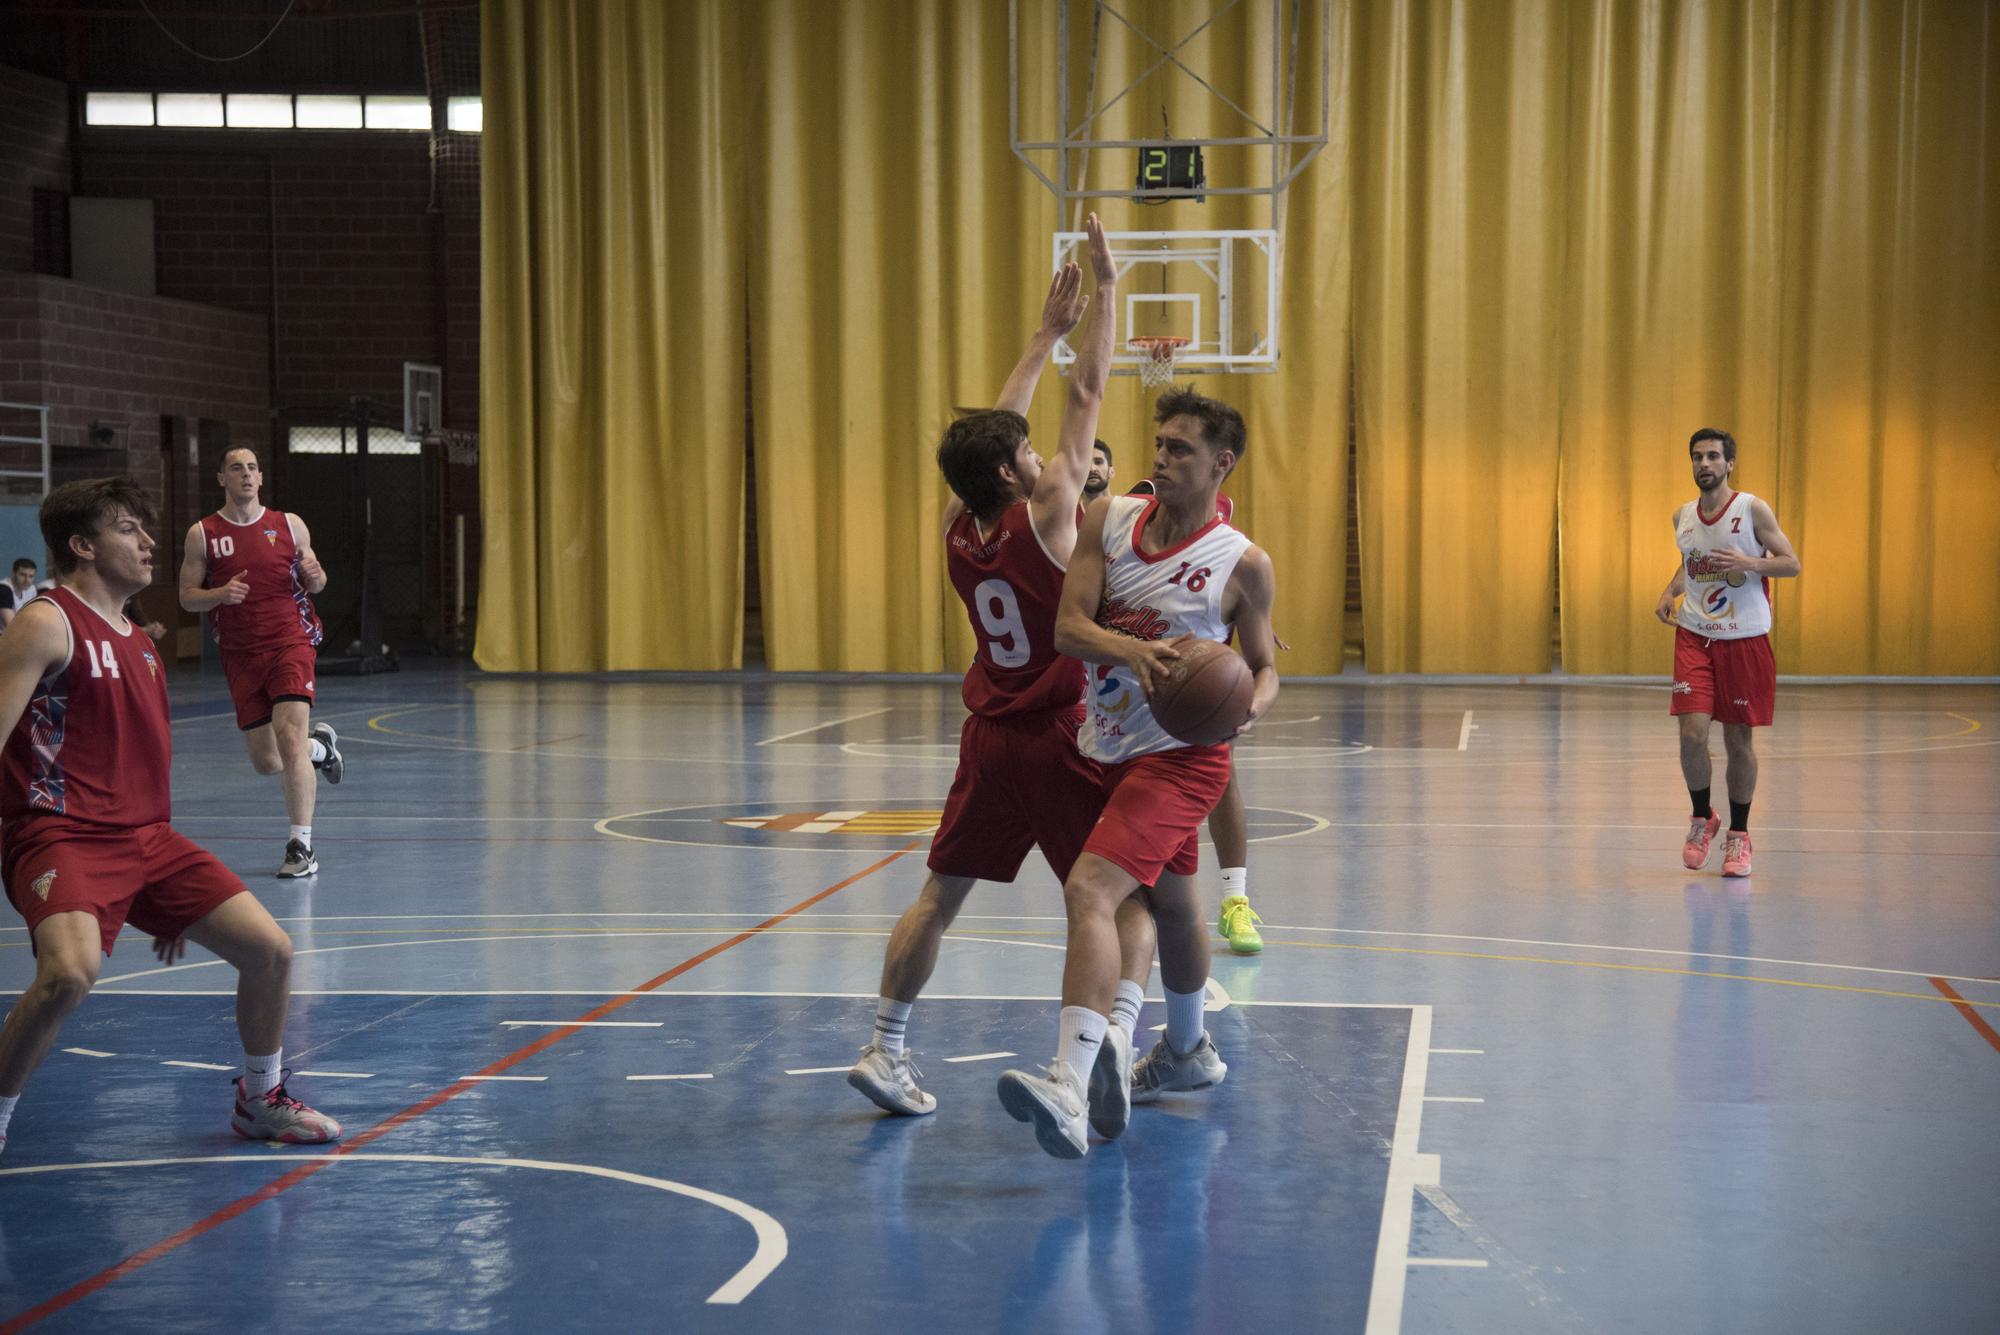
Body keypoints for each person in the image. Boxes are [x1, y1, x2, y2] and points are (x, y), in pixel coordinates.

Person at [848, 217, 1121, 1116]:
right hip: (1054, 730)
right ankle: (1103, 1047)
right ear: (1014, 471)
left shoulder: (958, 527)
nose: (1044, 452)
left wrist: (1042, 334)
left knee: (941, 893)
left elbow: (1005, 427)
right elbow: (1087, 394)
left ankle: (885, 1047)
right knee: (1116, 895)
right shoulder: (1046, 512)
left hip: (986, 734)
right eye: (1027, 452)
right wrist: (1108, 292)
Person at [0, 478, 340, 1160]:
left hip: (148, 841)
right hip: (59, 832)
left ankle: (260, 1099)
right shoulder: (48, 620)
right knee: (69, 973)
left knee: (270, 950)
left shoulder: (142, 643)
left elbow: (138, 767)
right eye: (129, 529)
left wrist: (153, 896)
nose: (148, 541)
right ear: (83, 545)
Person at [998, 387, 1280, 1160]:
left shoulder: (1243, 563)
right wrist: (1131, 651)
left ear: (1221, 463)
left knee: (1090, 888)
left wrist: (1247, 705)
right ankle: (1187, 1049)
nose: (1161, 456)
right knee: (1176, 905)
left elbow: (1263, 667)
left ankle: (1068, 1077)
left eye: (1180, 447)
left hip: (1185, 757)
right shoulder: (1109, 519)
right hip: (1107, 740)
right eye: (1159, 442)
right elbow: (1067, 627)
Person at [1117, 458, 1265, 954]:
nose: (1091, 468)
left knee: (1223, 777)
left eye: (1100, 461)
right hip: (1113, 688)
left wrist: (1250, 620)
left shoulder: (1211, 528)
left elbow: (1231, 586)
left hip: (1187, 677)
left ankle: (1234, 900)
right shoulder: (1107, 524)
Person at [178, 447, 344, 879]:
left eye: (253, 467)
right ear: (222, 479)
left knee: (289, 741)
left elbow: (319, 583)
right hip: (239, 652)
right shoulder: (203, 533)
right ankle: (321, 750)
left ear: (261, 477)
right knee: (267, 761)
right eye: (236, 468)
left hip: (291, 641)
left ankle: (300, 848)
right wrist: (218, 595)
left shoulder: (288, 524)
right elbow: (186, 596)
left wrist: (315, 575)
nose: (246, 475)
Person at [1654, 428, 1801, 878]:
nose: (1704, 464)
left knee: (1738, 741)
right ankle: (1702, 818)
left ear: (1729, 463)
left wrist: (1750, 564)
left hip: (1745, 640)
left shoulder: (1752, 509)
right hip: (1696, 636)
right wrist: (1670, 590)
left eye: (1713, 456)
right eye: (1697, 456)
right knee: (1692, 736)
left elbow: (1791, 563)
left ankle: (1739, 835)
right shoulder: (1682, 515)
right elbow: (1690, 564)